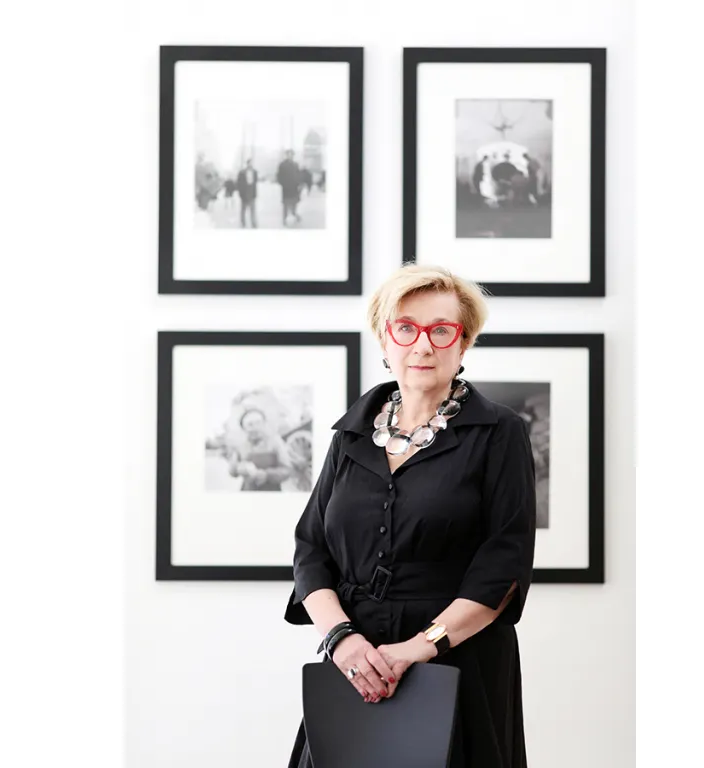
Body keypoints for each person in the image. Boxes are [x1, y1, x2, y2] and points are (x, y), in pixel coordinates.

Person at [284, 264, 537, 768]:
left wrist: (418, 648)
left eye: (441, 330)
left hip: (459, 659)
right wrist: (340, 639)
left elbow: (503, 564)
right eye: (406, 328)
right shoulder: (352, 432)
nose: (423, 345)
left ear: (463, 343)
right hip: (357, 662)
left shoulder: (499, 432)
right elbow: (311, 548)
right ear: (385, 339)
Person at [226, 408, 293, 491]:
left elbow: (287, 470)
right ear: (244, 428)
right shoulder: (241, 445)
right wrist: (238, 468)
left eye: (258, 423)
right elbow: (232, 472)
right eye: (250, 425)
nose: (255, 428)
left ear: (264, 424)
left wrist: (266, 475)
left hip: (271, 491)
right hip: (247, 492)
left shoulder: (275, 442)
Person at [277, 150, 302, 226]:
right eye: (289, 154)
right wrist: (283, 184)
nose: (290, 156)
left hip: (294, 188)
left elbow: (298, 175)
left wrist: (299, 184)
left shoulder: (295, 164)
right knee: (285, 205)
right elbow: (279, 176)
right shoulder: (282, 165)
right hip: (286, 188)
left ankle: (295, 215)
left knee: (294, 204)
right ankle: (284, 219)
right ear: (286, 155)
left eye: (291, 155)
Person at [235, 159, 258, 228]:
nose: (251, 164)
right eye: (249, 163)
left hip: (252, 193)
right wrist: (240, 193)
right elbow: (238, 183)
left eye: (251, 163)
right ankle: (243, 223)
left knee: (252, 210)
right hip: (244, 194)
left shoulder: (255, 172)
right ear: (247, 164)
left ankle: (253, 223)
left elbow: (255, 183)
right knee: (243, 210)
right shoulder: (242, 172)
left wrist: (255, 193)